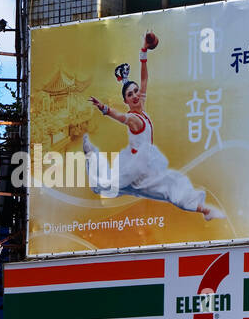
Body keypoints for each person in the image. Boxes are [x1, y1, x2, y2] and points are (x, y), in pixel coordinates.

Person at [83, 32, 224, 221]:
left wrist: (144, 52)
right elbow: (121, 117)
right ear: (126, 101)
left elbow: (144, 80)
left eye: (136, 92)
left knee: (173, 182)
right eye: (130, 95)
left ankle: (205, 210)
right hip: (139, 169)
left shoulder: (142, 107)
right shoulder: (134, 117)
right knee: (108, 186)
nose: (135, 95)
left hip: (146, 163)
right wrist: (105, 109)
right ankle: (91, 155)